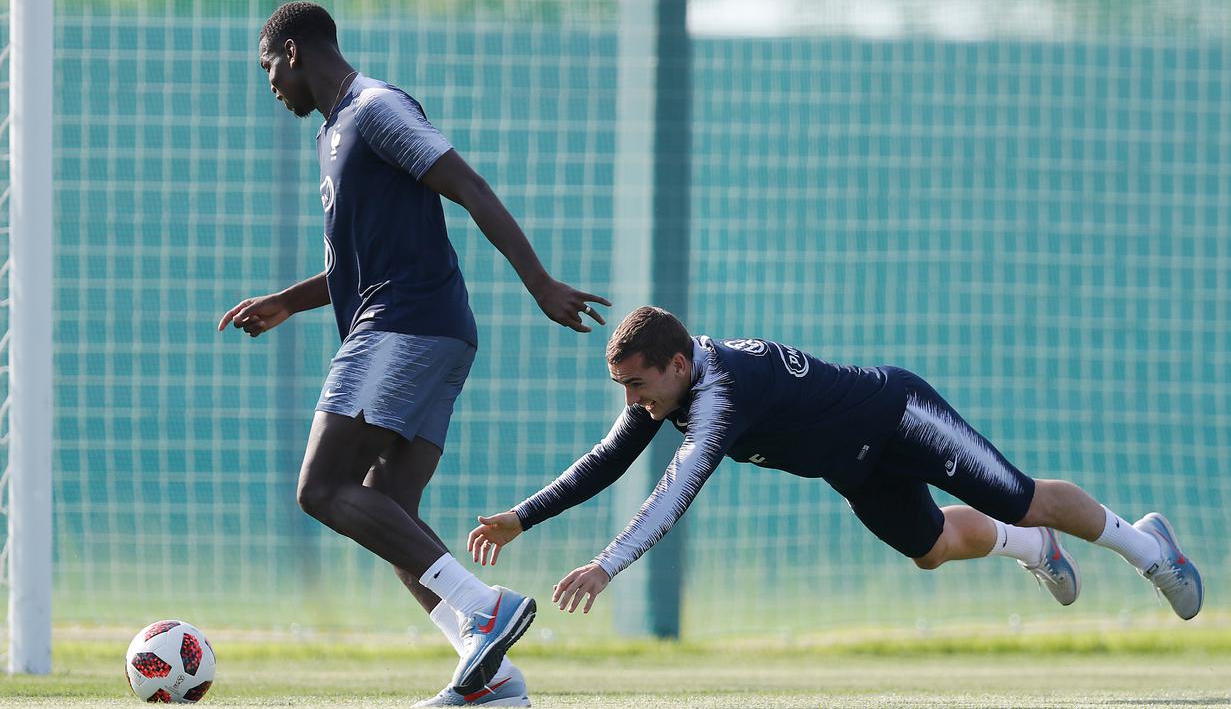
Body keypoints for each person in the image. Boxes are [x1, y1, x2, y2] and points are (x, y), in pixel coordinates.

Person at [218, 3, 611, 705]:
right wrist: (288, 300)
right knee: (388, 511)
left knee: (319, 488)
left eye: (268, 66)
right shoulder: (335, 133)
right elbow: (357, 261)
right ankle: (488, 677)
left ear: (294, 50)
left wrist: (539, 282)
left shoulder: (374, 109)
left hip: (402, 327)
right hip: (430, 329)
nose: (270, 83)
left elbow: (468, 186)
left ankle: (486, 611)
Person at [468, 306, 1203, 624]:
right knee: (932, 550)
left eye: (636, 384)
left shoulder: (720, 395)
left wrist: (605, 563)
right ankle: (1034, 550)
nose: (631, 402)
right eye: (621, 388)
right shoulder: (664, 393)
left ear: (676, 363)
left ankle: (1146, 547)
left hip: (899, 417)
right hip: (852, 467)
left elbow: (677, 486)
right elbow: (605, 460)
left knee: (1017, 495)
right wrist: (522, 517)